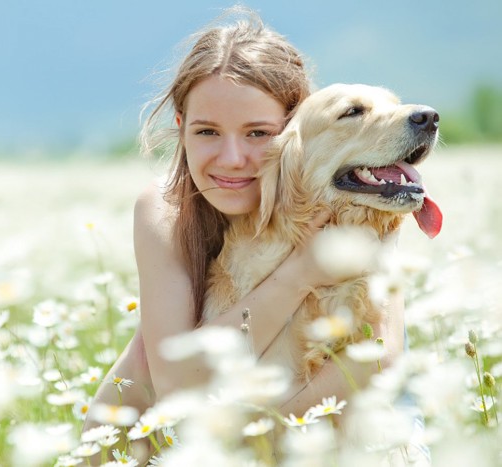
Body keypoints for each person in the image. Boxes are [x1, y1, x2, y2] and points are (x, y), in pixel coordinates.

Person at [84, 5, 404, 446]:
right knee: (145, 349)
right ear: (180, 128)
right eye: (207, 132)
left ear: (299, 135)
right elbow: (176, 385)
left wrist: (261, 440)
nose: (232, 159)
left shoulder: (350, 202)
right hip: (148, 428)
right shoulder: (165, 209)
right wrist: (302, 272)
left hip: (286, 431)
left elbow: (380, 356)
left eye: (257, 133)